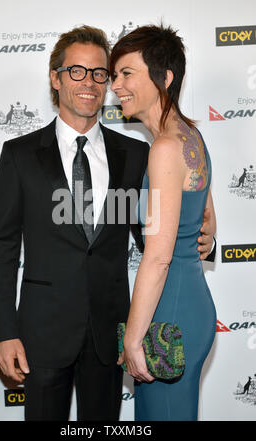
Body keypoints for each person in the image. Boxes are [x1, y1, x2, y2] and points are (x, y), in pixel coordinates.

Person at [0, 25, 215, 422]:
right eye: (76, 71)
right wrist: (4, 333)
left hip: (112, 334)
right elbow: (2, 250)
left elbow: (167, 223)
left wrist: (205, 232)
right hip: (42, 334)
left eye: (99, 73)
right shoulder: (19, 155)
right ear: (56, 79)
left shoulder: (138, 152)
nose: (89, 82)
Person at [110, 24, 217, 421]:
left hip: (169, 316)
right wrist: (201, 238)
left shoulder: (166, 148)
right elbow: (206, 219)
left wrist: (133, 341)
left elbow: (157, 258)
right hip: (189, 305)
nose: (115, 85)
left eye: (126, 73)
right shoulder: (190, 136)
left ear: (164, 78)